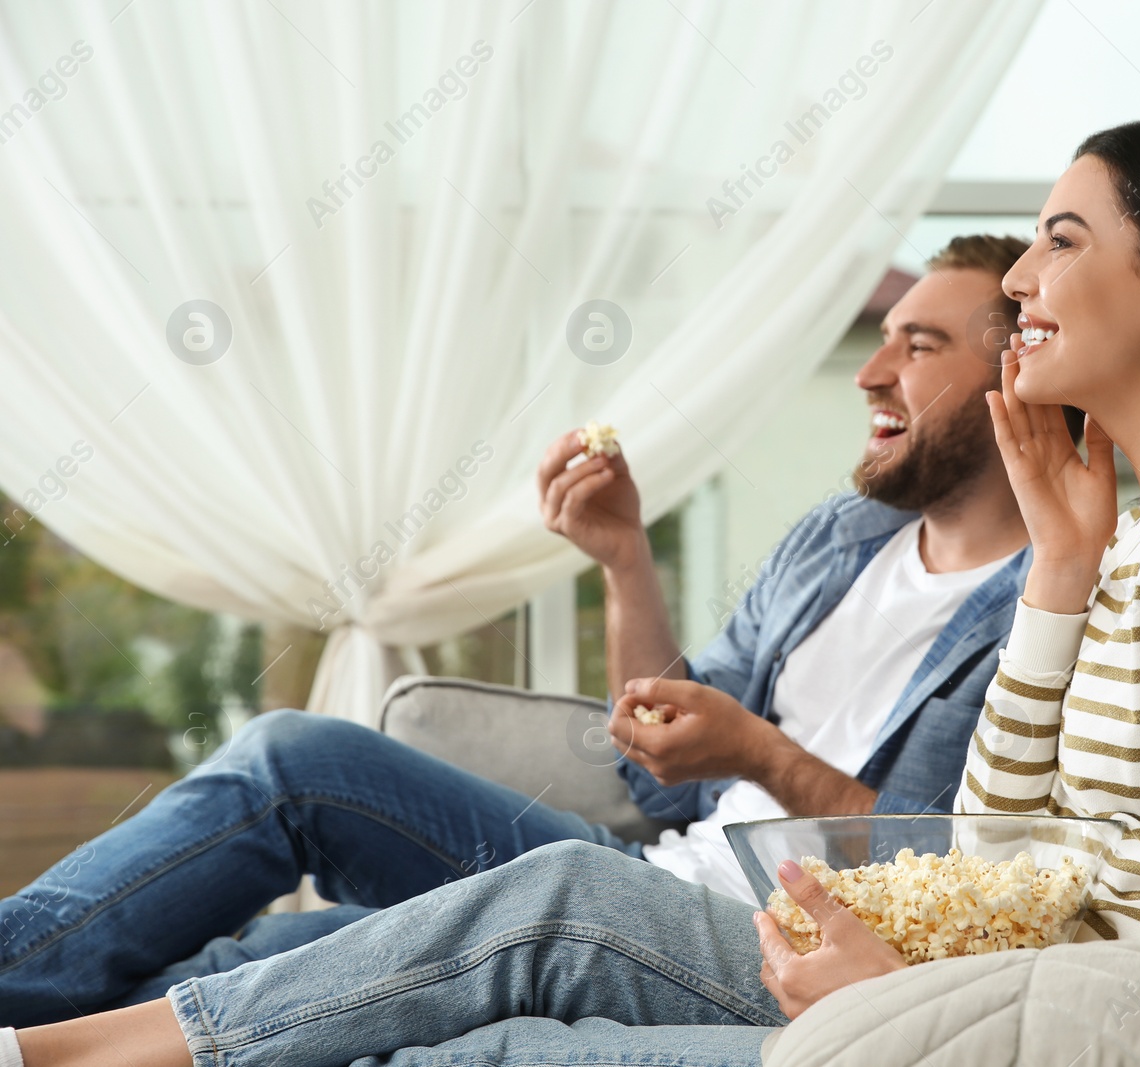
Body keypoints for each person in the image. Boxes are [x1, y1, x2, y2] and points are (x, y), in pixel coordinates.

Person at [5, 122, 1140, 1067]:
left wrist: (906, 983)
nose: (1021, 286)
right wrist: (1066, 575)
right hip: (940, 965)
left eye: (1063, 243)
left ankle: (53, 1050)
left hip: (1000, 1014)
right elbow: (1005, 842)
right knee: (460, 973)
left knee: (532, 940)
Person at [0, 235, 1059, 1028]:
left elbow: (938, 873)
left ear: (1014, 371)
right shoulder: (844, 536)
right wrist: (622, 554)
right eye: (880, 342)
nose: (873, 373)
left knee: (282, 957)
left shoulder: (1046, 600)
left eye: (916, 346)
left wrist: (764, 754)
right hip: (647, 863)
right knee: (291, 760)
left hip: (766, 933)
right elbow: (664, 779)